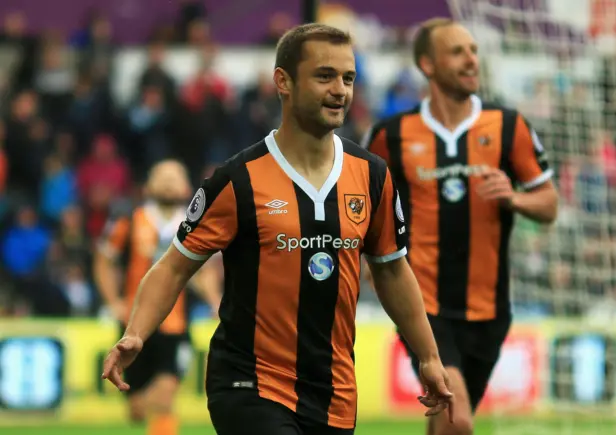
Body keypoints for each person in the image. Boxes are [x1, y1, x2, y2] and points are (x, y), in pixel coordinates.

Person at [102, 23, 453, 435]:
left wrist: (428, 356)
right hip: (248, 382)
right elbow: (175, 266)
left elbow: (393, 270)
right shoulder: (237, 180)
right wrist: (136, 334)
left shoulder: (373, 176)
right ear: (282, 82)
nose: (340, 90)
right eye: (325, 76)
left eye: (348, 78)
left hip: (333, 390)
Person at [363, 18, 559, 435]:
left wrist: (513, 197)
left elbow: (549, 204)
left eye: (473, 50)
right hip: (423, 305)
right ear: (427, 64)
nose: (472, 59)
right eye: (458, 51)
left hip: (490, 311)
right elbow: (363, 209)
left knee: (445, 422)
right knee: (459, 420)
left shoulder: (509, 126)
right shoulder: (390, 136)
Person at [95, 159, 221, 435]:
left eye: (174, 176)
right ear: (148, 185)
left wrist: (214, 301)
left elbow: (205, 271)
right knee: (137, 410)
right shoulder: (129, 220)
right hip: (135, 324)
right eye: (162, 176)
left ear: (187, 186)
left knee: (164, 397)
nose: (168, 182)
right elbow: (104, 260)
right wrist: (112, 301)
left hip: (175, 325)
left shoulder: (195, 223)